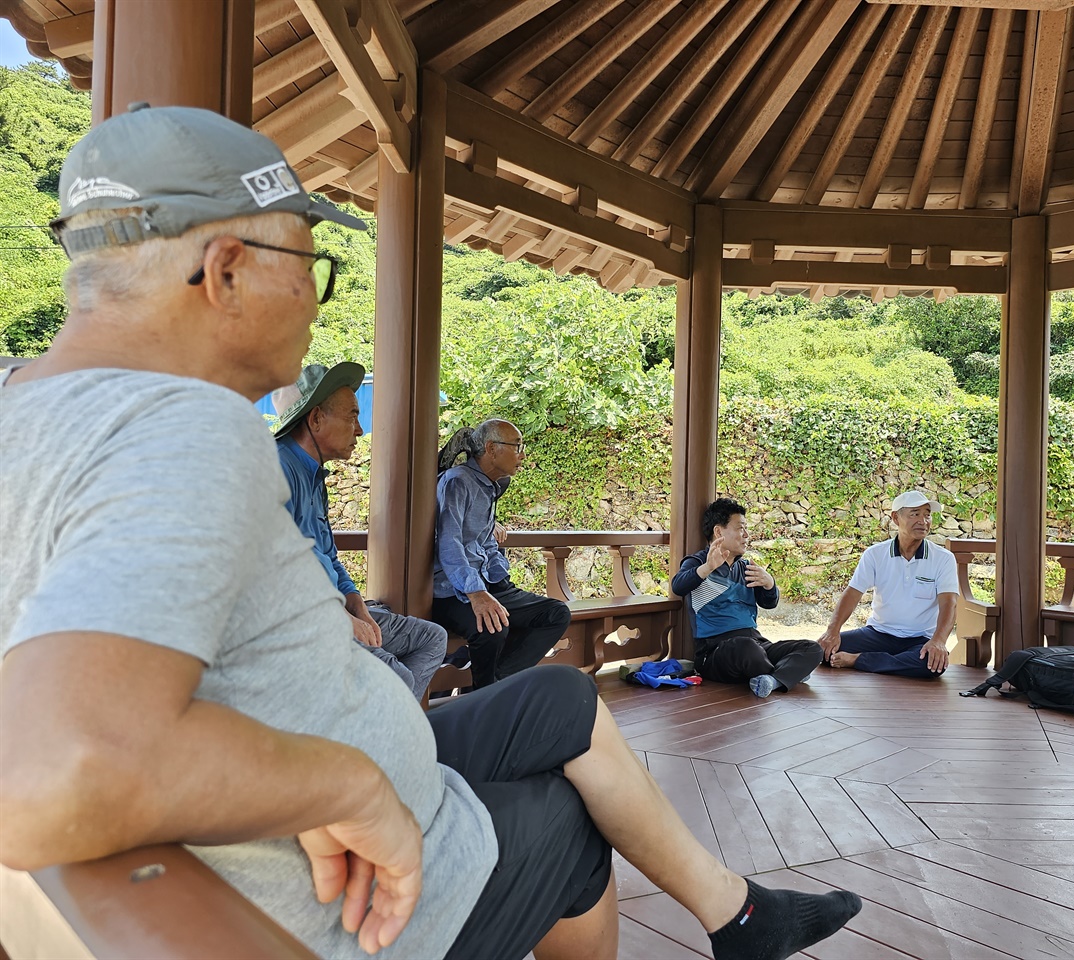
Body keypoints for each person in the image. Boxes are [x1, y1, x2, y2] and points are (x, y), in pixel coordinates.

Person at [0, 105, 860, 960]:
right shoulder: (182, 426)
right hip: (364, 889)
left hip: (358, 779)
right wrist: (354, 787)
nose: (313, 296)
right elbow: (49, 772)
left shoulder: (26, 408)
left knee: (562, 698)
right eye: (310, 262)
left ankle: (739, 916)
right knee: (568, 823)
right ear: (226, 269)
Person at [272, 361, 446, 702]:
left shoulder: (314, 477)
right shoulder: (277, 469)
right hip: (302, 621)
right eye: (352, 415)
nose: (360, 430)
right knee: (395, 675)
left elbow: (328, 556)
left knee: (431, 639)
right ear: (316, 418)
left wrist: (356, 603)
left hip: (335, 607)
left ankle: (383, 733)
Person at [431, 422, 572, 688]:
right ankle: (485, 697)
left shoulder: (492, 485)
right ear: (491, 449)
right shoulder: (457, 481)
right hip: (452, 590)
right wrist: (476, 593)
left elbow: (484, 541)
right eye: (517, 446)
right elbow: (449, 544)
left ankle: (495, 685)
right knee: (493, 627)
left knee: (555, 613)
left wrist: (500, 580)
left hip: (487, 583)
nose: (522, 454)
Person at [673, 498, 822, 698]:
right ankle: (788, 673)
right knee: (746, 648)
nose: (746, 535)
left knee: (813, 648)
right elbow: (678, 586)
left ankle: (772, 680)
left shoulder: (746, 567)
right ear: (718, 532)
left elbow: (769, 603)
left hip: (756, 642)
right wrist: (708, 567)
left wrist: (770, 583)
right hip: (716, 651)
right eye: (740, 528)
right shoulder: (698, 561)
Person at [818, 492, 958, 678]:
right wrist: (832, 631)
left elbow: (949, 603)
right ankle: (889, 661)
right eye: (915, 514)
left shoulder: (943, 558)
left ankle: (857, 660)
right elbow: (852, 594)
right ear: (895, 518)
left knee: (931, 666)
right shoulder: (875, 554)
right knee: (823, 652)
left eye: (927, 515)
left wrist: (939, 641)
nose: (923, 521)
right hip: (877, 634)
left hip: (919, 639)